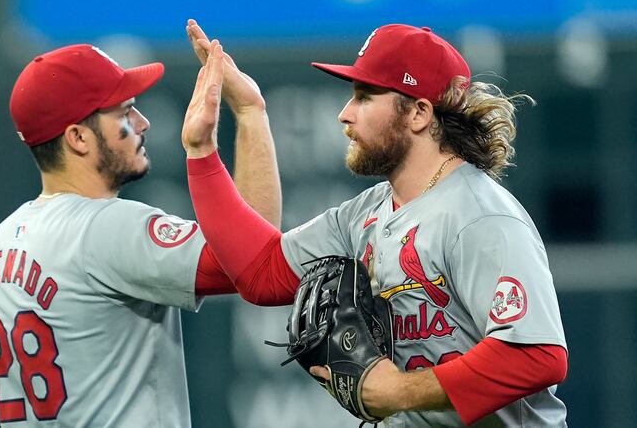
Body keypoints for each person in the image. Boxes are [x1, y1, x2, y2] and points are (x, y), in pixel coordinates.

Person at [183, 22, 568, 426]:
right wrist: (206, 147)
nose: (344, 115)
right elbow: (261, 272)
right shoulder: (366, 213)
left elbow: (537, 356)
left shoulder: (479, 216)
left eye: (365, 97)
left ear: (419, 113)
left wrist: (397, 390)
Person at [0, 30, 283, 427]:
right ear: (78, 138)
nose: (143, 122)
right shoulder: (104, 228)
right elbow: (254, 257)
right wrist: (250, 113)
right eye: (123, 112)